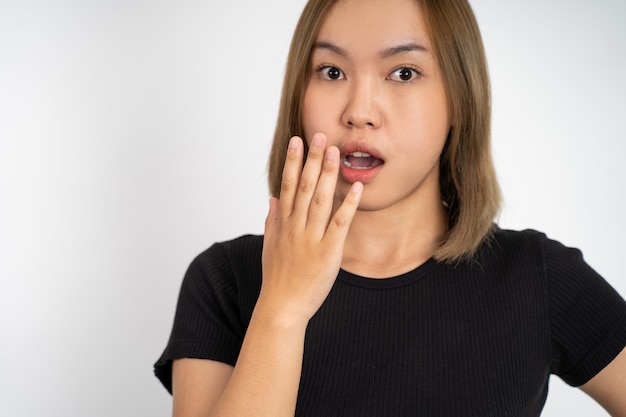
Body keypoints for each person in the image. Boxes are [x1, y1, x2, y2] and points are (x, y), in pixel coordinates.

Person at [154, 0, 626, 415]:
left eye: (403, 73)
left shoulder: (537, 277)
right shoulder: (224, 280)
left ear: (460, 97)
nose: (359, 110)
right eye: (331, 71)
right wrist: (282, 310)